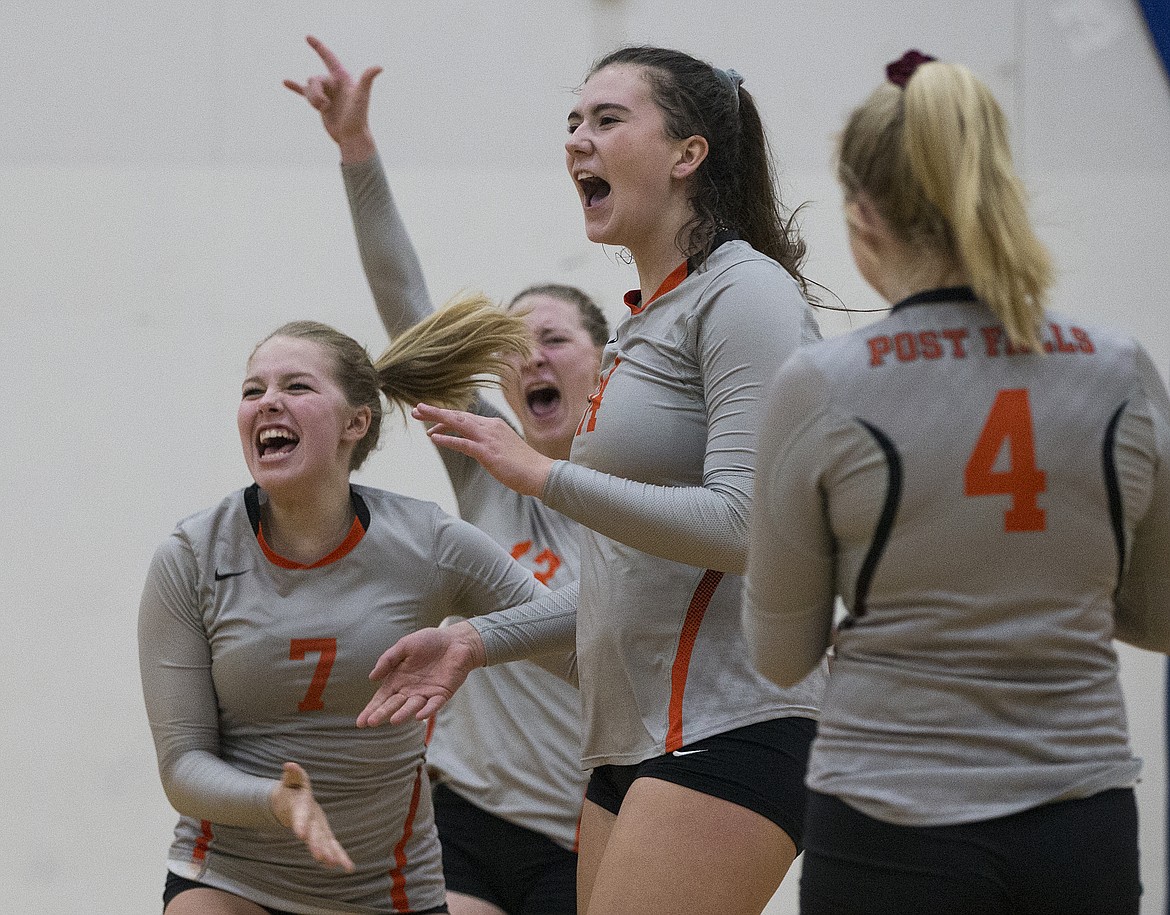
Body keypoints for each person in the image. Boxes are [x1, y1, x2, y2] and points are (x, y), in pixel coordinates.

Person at [356, 46, 826, 915]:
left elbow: (749, 528)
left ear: (689, 153)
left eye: (608, 120)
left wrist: (544, 477)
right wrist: (475, 639)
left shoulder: (745, 292)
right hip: (624, 746)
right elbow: (623, 581)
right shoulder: (644, 328)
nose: (578, 139)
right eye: (572, 122)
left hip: (730, 726)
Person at [743, 51, 1170, 915]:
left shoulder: (823, 382)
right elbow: (1160, 615)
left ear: (862, 216)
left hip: (885, 818)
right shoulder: (1119, 369)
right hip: (1079, 817)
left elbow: (781, 656)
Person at [285, 36, 609, 915]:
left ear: (605, 367)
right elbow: (407, 309)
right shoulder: (490, 471)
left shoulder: (644, 503)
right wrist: (357, 152)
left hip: (581, 831)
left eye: (556, 340)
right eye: (514, 345)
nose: (530, 356)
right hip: (459, 810)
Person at [138, 303, 557, 915]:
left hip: (386, 892)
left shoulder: (427, 542)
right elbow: (182, 767)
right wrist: (276, 801)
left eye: (296, 386)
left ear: (356, 422)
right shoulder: (191, 556)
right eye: (253, 390)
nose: (267, 402)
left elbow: (568, 632)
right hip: (230, 879)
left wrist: (476, 639)